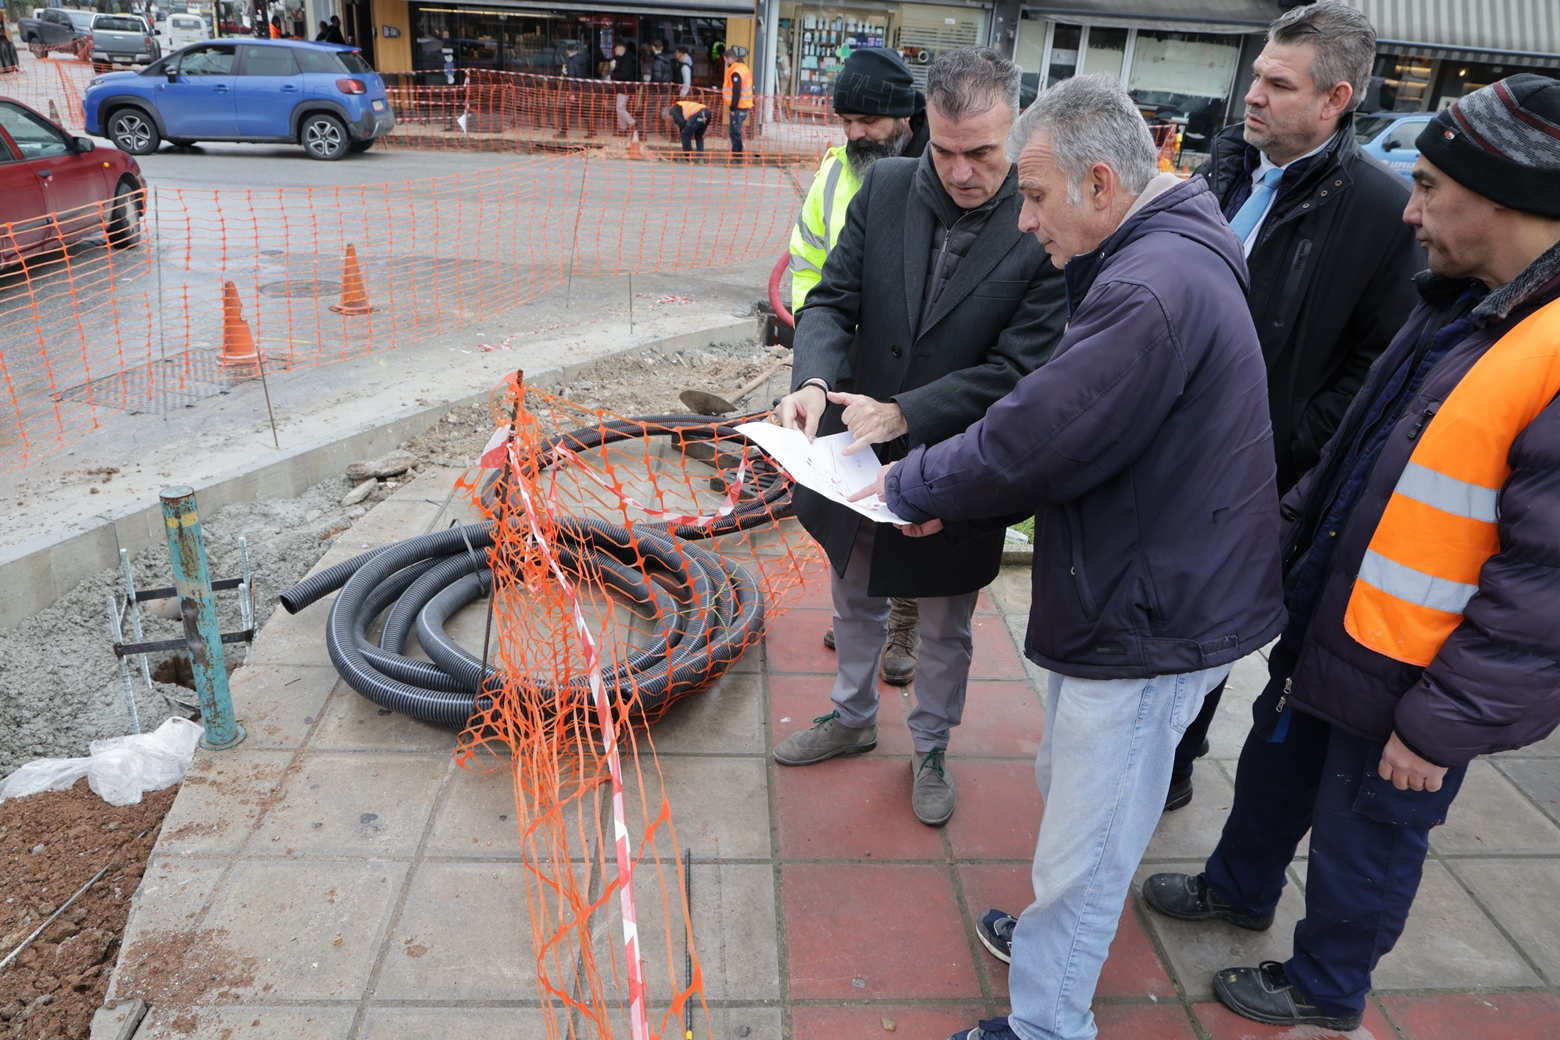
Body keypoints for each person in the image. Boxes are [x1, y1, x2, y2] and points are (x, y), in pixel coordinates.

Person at [863, 73, 1286, 1040]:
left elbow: (1037, 431)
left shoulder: (1147, 288)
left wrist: (909, 487)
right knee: (1074, 798)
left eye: (1035, 195)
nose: (1023, 221)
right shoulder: (1162, 251)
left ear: (1101, 184)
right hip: (1143, 583)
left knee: (1089, 844)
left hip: (1151, 610)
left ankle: (1049, 1022)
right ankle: (1053, 941)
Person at [1141, 73, 1560, 1033]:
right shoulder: (1457, 304)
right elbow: (1350, 460)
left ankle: (1325, 988)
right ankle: (1237, 887)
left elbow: (1542, 593)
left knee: (1366, 840)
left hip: (1415, 680)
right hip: (1334, 623)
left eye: (1430, 190)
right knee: (1273, 772)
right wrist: (1273, 552)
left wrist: (1442, 726)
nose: (1410, 212)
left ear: (1506, 200)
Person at [772, 48, 1068, 828]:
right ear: (923, 127)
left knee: (944, 625)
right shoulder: (887, 187)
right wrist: (813, 380)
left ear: (1015, 130)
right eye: (944, 151)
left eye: (983, 154)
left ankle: (931, 746)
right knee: (852, 596)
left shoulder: (1040, 220)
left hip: (959, 464)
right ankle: (852, 716)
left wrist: (907, 411)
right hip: (854, 452)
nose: (962, 172)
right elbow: (831, 300)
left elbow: (1021, 368)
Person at [1167, 0, 1425, 814]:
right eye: (1257, 77)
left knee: (1207, 626)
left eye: (1278, 85)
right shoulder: (1224, 168)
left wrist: (1284, 444)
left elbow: (1376, 368)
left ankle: (1174, 761)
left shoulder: (1383, 213)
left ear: (1334, 100)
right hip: (1164, 446)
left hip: (1257, 474)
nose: (1252, 95)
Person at [790, 46, 931, 684]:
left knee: (911, 499)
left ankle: (905, 622)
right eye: (846, 120)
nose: (854, 133)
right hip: (846, 370)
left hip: (917, 375)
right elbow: (811, 269)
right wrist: (817, 356)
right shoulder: (836, 170)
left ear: (904, 116)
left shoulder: (941, 169)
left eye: (867, 121)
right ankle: (859, 611)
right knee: (847, 499)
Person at [557, 41, 594, 139]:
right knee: (583, 109)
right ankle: (592, 130)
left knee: (567, 110)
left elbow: (572, 77)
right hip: (583, 87)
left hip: (575, 89)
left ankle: (563, 131)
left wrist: (572, 92)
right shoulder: (583, 60)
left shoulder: (571, 62)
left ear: (568, 51)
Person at [722, 45, 753, 154]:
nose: (726, 63)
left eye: (725, 61)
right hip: (744, 105)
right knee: (736, 130)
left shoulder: (736, 71)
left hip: (739, 106)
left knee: (734, 131)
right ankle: (738, 152)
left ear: (730, 59)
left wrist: (733, 108)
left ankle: (737, 155)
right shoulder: (743, 68)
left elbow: (737, 91)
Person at [610, 40, 639, 134]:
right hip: (623, 87)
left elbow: (624, 74)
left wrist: (612, 76)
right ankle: (623, 129)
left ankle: (632, 123)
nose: (614, 50)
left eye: (616, 48)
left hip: (624, 88)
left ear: (622, 49)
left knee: (620, 108)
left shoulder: (625, 60)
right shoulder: (624, 59)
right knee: (620, 108)